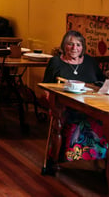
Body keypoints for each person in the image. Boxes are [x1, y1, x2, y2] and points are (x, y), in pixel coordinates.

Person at [43, 30, 108, 165]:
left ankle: (102, 157)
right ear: (64, 45)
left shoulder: (89, 61)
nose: (74, 48)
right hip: (64, 106)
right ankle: (59, 158)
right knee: (75, 121)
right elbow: (46, 88)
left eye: (78, 45)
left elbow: (101, 82)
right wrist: (52, 105)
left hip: (91, 104)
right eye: (70, 44)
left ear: (82, 47)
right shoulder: (55, 62)